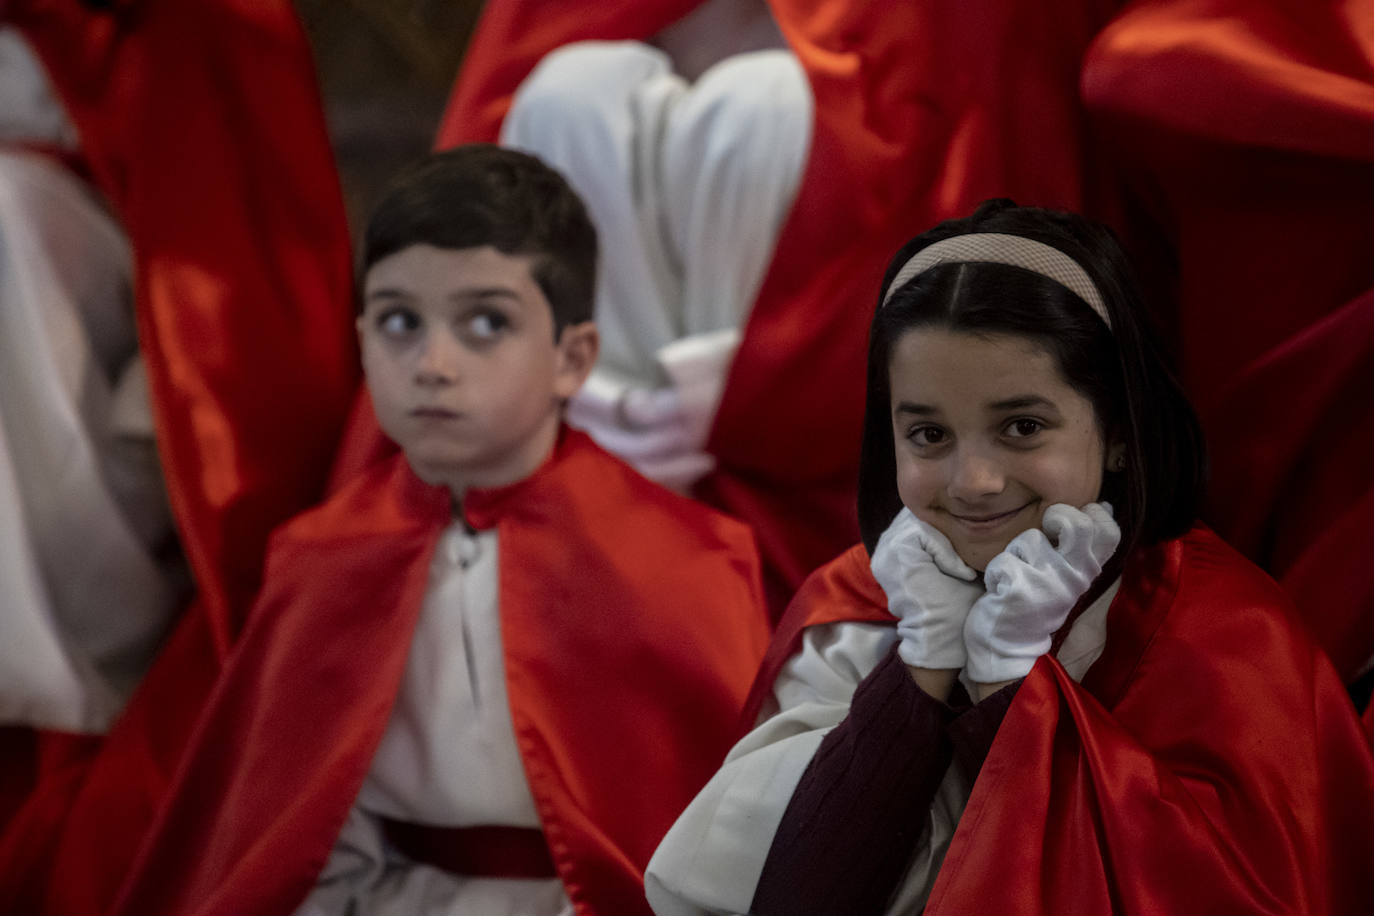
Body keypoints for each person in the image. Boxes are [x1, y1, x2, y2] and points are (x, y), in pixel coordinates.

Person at [645, 200, 1374, 914]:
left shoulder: (1232, 641)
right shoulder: (855, 609)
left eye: (1022, 427)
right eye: (929, 435)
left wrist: (1007, 693)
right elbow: (788, 899)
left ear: (1118, 429)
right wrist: (923, 667)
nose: (975, 483)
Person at [105, 145, 770, 916]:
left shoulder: (682, 563)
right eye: (398, 322)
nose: (432, 362)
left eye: (486, 322)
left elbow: (716, 836)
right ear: (362, 341)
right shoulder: (318, 558)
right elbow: (281, 830)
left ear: (572, 357)